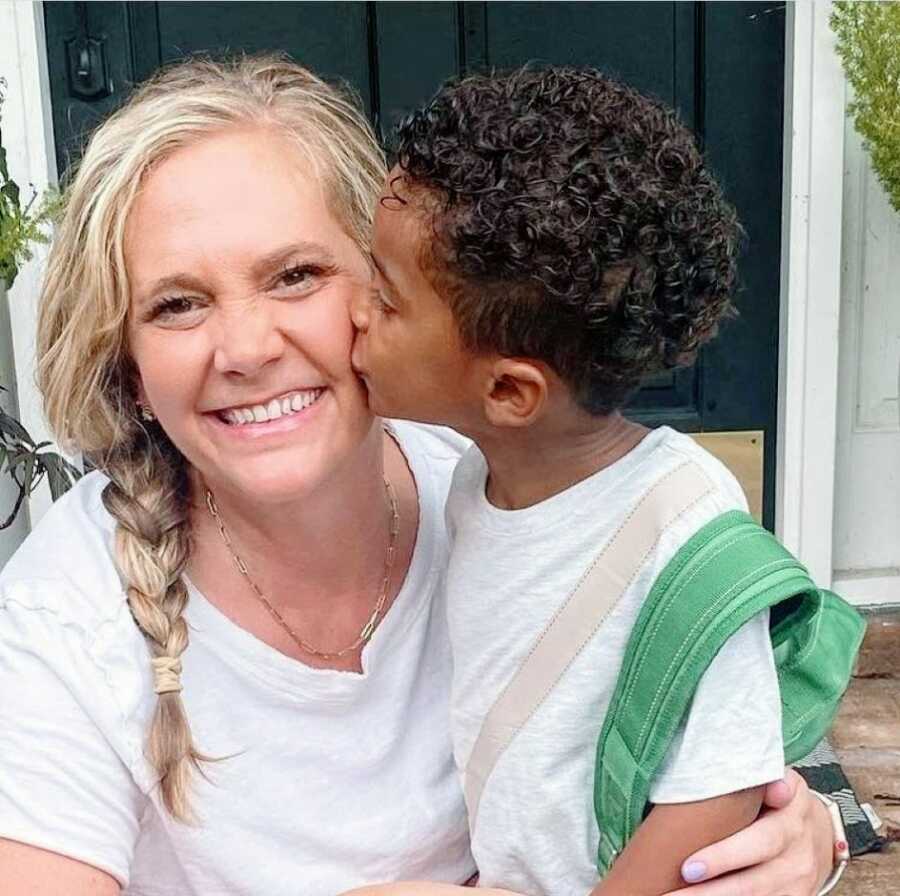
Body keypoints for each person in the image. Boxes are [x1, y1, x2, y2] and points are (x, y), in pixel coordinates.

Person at [0, 55, 835, 896]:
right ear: (128, 364)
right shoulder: (60, 618)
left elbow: (691, 748)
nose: (247, 349)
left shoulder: (517, 494)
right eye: (177, 304)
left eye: (297, 276)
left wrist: (795, 831)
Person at [350, 66, 846, 896]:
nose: (357, 309)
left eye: (387, 300)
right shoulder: (474, 474)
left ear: (510, 391)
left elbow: (722, 785)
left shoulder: (685, 523)